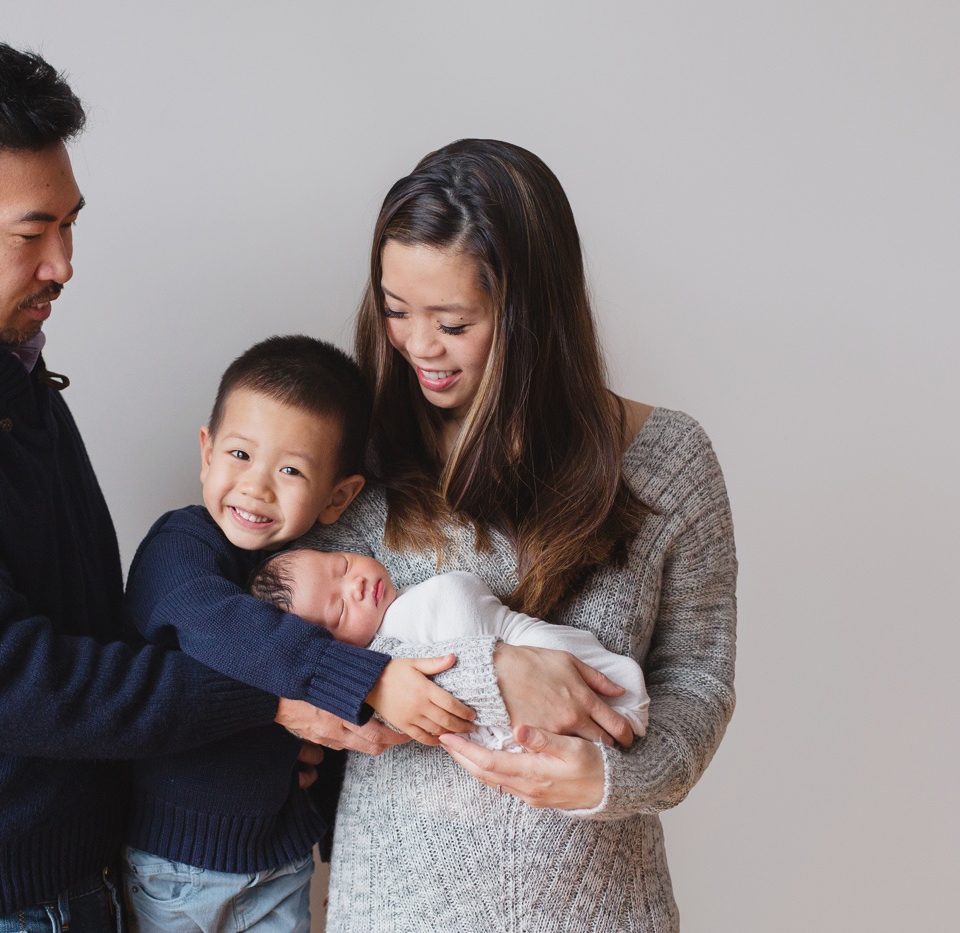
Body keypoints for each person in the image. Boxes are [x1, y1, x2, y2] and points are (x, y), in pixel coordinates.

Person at [0, 33, 369, 933]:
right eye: (33, 231)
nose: (65, 261)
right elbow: (3, 680)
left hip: (75, 877)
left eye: (70, 221)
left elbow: (90, 621)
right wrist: (275, 695)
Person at [299, 138, 738, 931]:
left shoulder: (671, 462)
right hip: (394, 909)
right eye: (396, 310)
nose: (417, 346)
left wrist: (611, 781)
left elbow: (699, 683)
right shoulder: (352, 460)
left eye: (453, 320)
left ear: (532, 314)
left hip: (601, 909)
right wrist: (488, 669)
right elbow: (276, 667)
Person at [122, 335, 476, 933]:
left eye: (289, 470)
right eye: (239, 455)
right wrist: (370, 681)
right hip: (177, 866)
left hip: (282, 860)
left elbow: (336, 742)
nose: (257, 486)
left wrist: (347, 863)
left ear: (338, 496)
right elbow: (227, 631)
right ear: (205, 453)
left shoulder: (321, 569)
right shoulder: (179, 549)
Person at [248, 549, 650, 748]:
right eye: (339, 609)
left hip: (582, 671)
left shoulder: (412, 599)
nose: (355, 585)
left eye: (343, 565)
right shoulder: (384, 659)